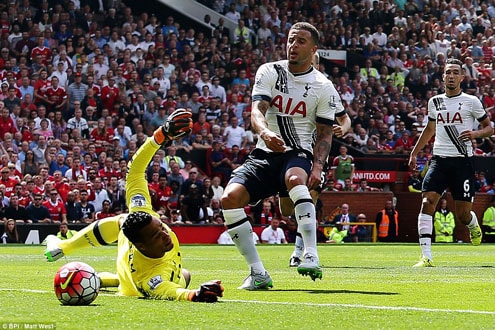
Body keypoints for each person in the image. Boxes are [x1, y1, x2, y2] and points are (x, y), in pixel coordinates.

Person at [44, 109, 224, 302]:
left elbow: (135, 170)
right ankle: (87, 265)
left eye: (161, 226)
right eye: (157, 235)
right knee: (183, 278)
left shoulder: (143, 216)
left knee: (124, 221)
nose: (165, 234)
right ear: (141, 246)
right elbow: (169, 291)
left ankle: (65, 247)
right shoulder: (147, 279)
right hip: (140, 280)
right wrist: (194, 295)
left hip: (136, 256)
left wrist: (161, 135)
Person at [221, 22, 337, 288]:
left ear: (314, 48)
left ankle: (310, 253)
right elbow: (256, 111)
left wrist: (317, 167)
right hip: (265, 152)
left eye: (301, 41)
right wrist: (264, 133)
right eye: (291, 40)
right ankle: (258, 273)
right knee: (229, 199)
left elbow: (325, 133)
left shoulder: (323, 86)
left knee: (296, 179)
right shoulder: (270, 71)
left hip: (297, 152)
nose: (293, 46)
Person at [408, 58, 493, 267]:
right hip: (439, 159)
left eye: (456, 72)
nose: (451, 76)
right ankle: (426, 256)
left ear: (462, 77)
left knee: (463, 214)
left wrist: (475, 133)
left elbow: (489, 128)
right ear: (443, 76)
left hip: (463, 162)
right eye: (448, 72)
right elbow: (429, 129)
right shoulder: (434, 101)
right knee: (427, 202)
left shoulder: (471, 101)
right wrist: (414, 152)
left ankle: (473, 225)